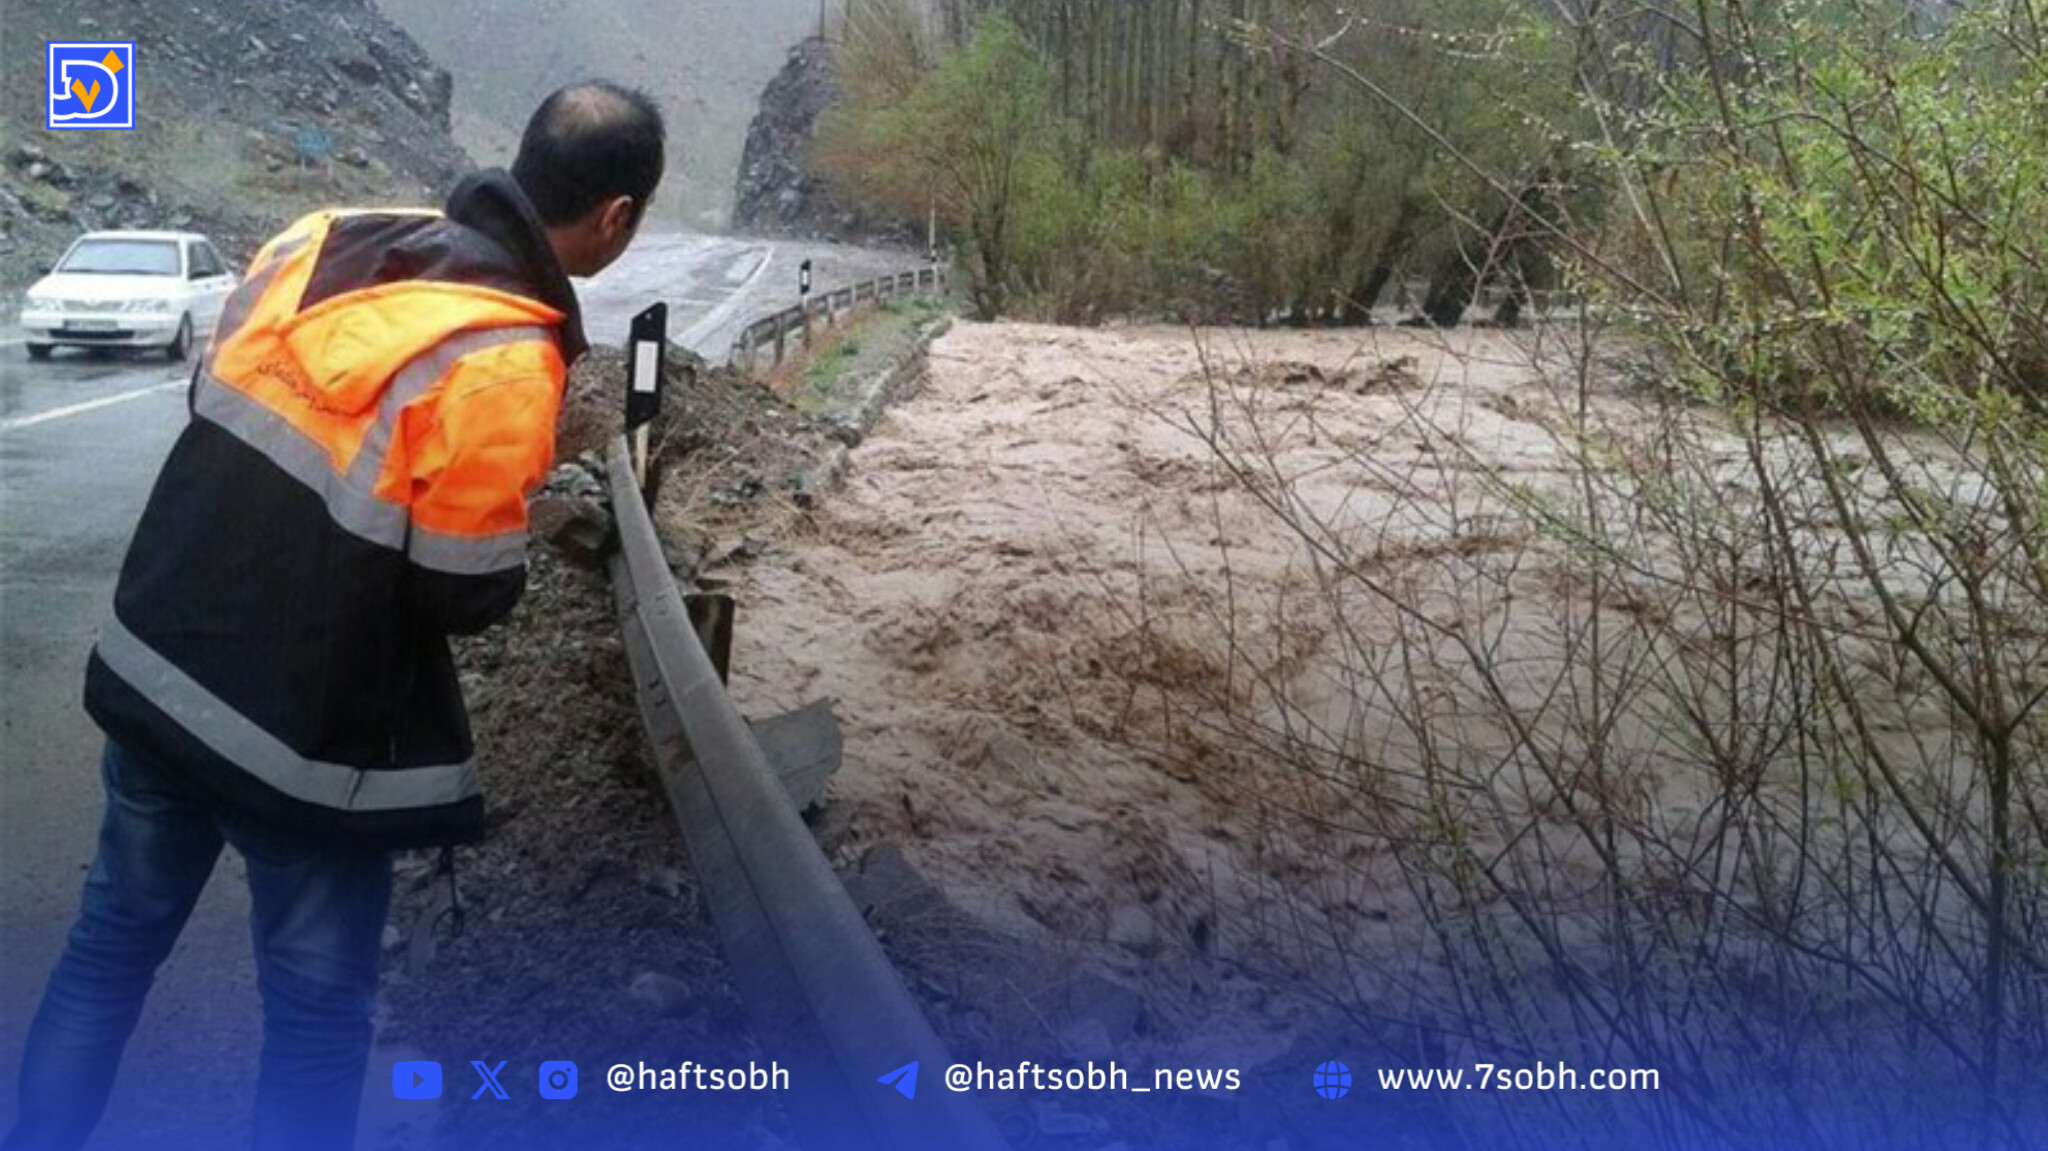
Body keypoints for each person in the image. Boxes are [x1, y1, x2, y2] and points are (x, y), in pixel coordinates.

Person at [2, 82, 664, 1151]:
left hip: (158, 666)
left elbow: (224, 415)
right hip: (300, 744)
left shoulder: (324, 237)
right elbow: (464, 592)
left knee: (108, 945)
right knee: (314, 1021)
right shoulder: (504, 361)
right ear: (615, 219)